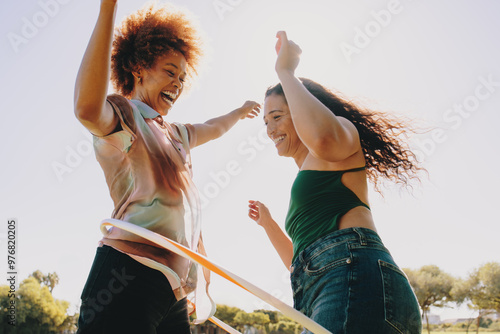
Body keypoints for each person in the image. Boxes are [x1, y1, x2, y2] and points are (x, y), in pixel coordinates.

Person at [74, 1, 260, 333]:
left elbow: (213, 127)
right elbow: (88, 109)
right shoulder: (125, 117)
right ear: (138, 67)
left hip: (173, 289)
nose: (177, 83)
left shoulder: (176, 135)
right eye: (170, 71)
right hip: (128, 272)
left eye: (182, 78)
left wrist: (240, 110)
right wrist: (107, 11)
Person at [248, 31, 423, 334]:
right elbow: (301, 262)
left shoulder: (341, 137)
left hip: (353, 279)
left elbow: (323, 137)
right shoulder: (309, 174)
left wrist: (285, 72)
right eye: (265, 122)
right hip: (332, 286)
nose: (269, 129)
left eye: (276, 116)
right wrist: (269, 225)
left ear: (304, 107)